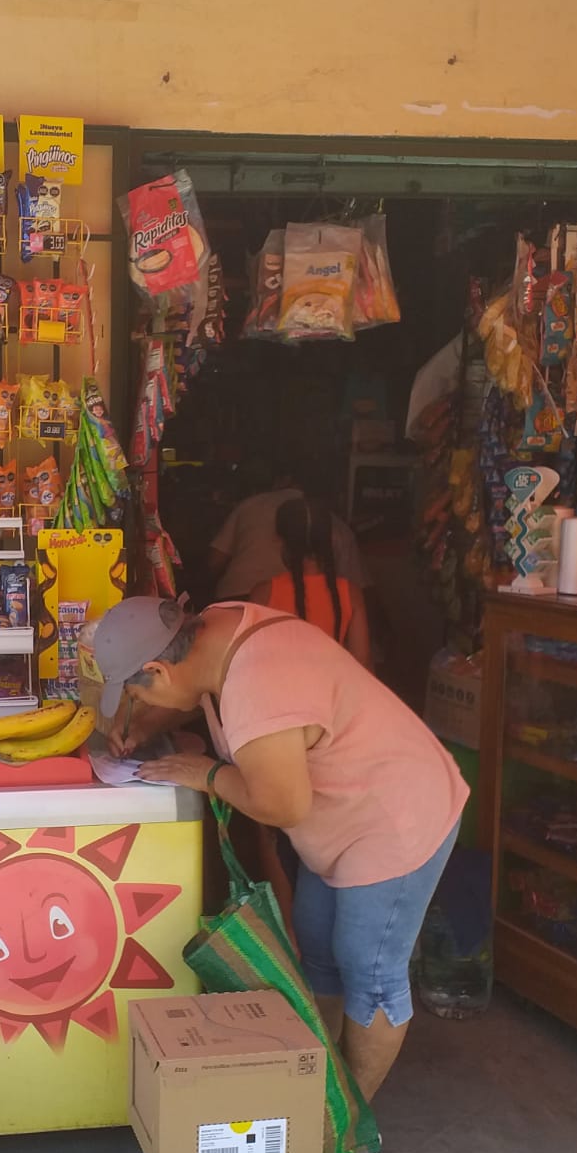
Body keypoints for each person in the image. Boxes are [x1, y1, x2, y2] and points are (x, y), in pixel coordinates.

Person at [96, 596, 467, 1103]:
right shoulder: (214, 632)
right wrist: (146, 725)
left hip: (394, 817)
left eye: (138, 695)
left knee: (370, 971)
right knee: (318, 953)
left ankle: (347, 1120)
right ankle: (319, 1091)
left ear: (159, 669)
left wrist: (207, 774)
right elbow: (194, 690)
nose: (138, 704)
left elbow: (282, 805)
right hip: (340, 817)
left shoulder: (259, 685)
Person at [209, 460, 369, 609]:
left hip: (233, 601)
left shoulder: (250, 505)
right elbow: (361, 587)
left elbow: (214, 562)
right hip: (302, 611)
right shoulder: (338, 527)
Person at [250, 494, 371, 667]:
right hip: (332, 684)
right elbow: (362, 660)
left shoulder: (264, 593)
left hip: (279, 683)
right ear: (328, 539)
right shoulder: (351, 593)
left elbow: (254, 659)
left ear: (280, 539)